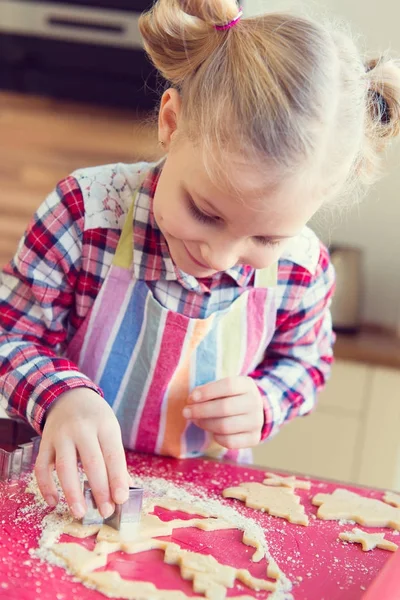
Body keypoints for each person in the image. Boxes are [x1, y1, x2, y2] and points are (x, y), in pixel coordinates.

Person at [1, 0, 399, 523]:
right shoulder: (86, 214)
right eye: (205, 212)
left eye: (264, 236)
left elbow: (308, 362)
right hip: (61, 490)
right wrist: (63, 395)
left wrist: (266, 402)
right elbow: (12, 333)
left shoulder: (301, 266)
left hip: (201, 506)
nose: (220, 254)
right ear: (171, 121)